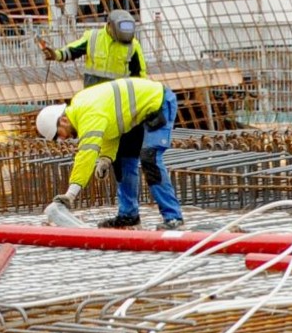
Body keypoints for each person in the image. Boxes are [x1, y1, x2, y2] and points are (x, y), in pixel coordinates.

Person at [37, 76, 184, 229]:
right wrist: (106, 158)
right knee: (122, 160)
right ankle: (129, 216)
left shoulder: (87, 114)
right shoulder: (81, 107)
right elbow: (110, 129)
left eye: (58, 134)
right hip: (137, 113)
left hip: (158, 103)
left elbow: (86, 154)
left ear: (64, 121)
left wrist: (70, 194)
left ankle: (173, 218)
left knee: (150, 158)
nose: (63, 139)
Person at [43, 9, 147, 87]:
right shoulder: (93, 37)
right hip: (92, 94)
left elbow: (140, 75)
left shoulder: (133, 46)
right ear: (109, 25)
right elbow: (73, 50)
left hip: (116, 96)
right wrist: (56, 55)